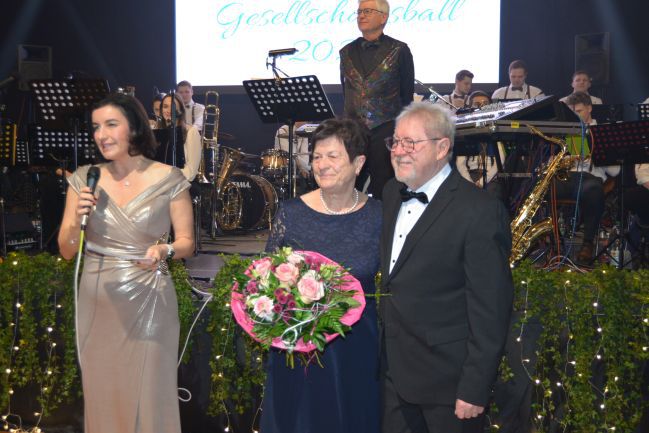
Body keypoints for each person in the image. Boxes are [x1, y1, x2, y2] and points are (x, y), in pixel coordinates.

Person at [57, 93, 194, 433]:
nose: (101, 135)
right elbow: (67, 250)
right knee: (103, 392)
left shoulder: (169, 178)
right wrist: (76, 220)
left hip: (150, 299)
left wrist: (164, 251)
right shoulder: (84, 179)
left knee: (150, 392)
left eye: (110, 125)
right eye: (96, 127)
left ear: (133, 128)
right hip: (97, 299)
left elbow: (187, 242)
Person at [380, 102, 513, 433]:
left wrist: (475, 386)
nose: (399, 151)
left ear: (442, 148)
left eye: (410, 143)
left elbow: (491, 308)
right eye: (395, 141)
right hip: (394, 375)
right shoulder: (391, 193)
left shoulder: (480, 211)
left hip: (450, 385)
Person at [261, 118, 381, 433]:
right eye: (316, 157)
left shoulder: (379, 216)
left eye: (332, 156)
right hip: (299, 350)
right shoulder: (290, 213)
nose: (322, 164)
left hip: (356, 348)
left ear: (358, 163)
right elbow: (267, 281)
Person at [340, 0, 414, 199]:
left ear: (383, 17)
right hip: (353, 130)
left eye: (367, 11)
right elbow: (347, 91)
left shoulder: (399, 50)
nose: (361, 15)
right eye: (359, 12)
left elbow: (407, 95)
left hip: (386, 130)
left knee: (384, 188)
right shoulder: (345, 52)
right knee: (347, 184)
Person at [555, 91, 619, 264]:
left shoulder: (603, 131)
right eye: (572, 112)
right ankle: (552, 241)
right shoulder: (565, 131)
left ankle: (587, 243)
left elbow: (615, 171)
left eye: (579, 111)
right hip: (568, 176)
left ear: (589, 108)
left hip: (591, 178)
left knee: (593, 191)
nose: (576, 116)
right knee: (543, 188)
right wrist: (566, 160)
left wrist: (597, 157)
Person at [158, 93, 202, 182]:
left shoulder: (191, 132)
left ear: (181, 110)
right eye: (165, 106)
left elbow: (191, 172)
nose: (168, 110)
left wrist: (166, 176)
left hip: (181, 185)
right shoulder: (159, 133)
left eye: (173, 107)